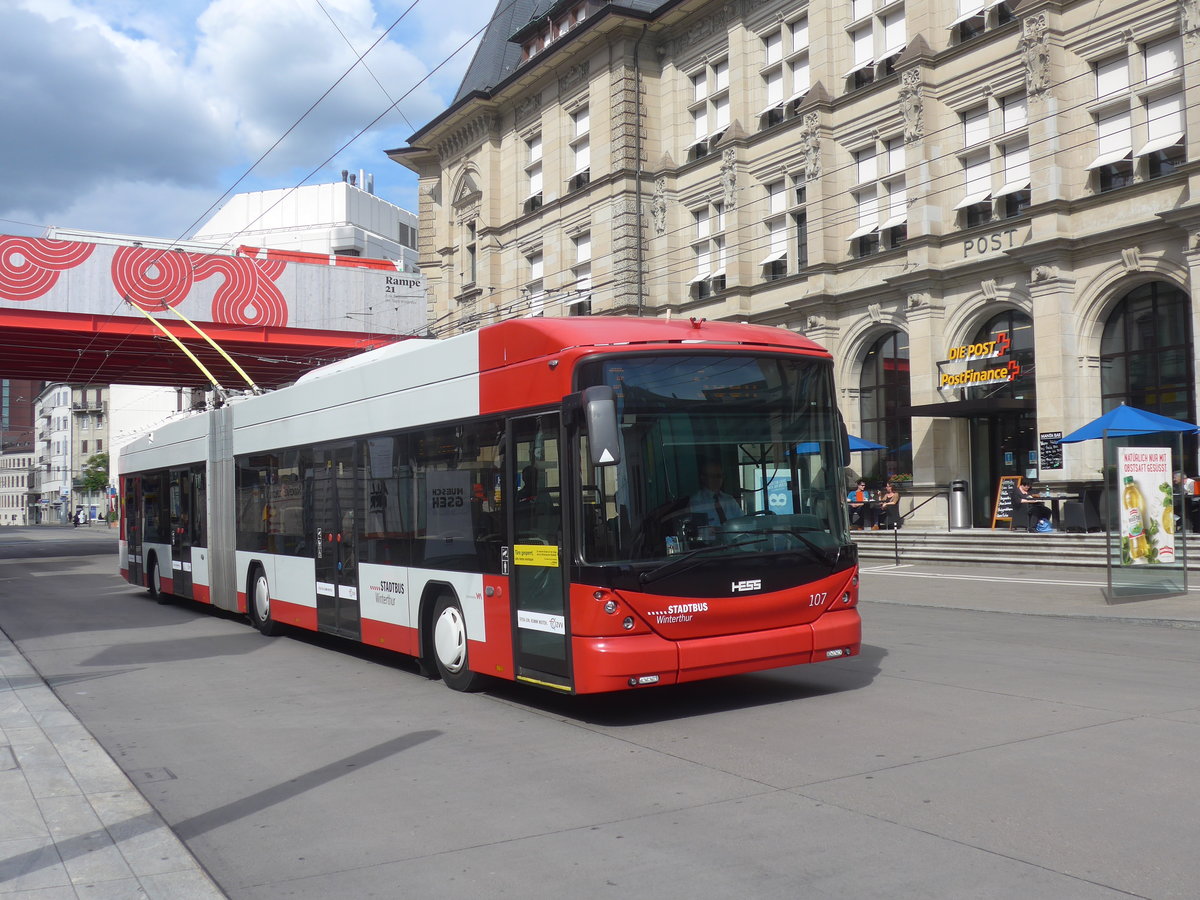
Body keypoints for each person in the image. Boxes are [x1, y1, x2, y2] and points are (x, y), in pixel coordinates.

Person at [689, 461, 742, 526]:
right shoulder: (696, 501)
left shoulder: (729, 500)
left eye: (719, 476)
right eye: (712, 476)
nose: (716, 479)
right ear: (703, 477)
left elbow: (742, 522)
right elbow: (698, 530)